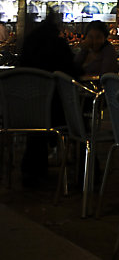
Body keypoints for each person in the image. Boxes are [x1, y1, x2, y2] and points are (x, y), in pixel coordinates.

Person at [18, 11, 80, 185]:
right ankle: (86, 172)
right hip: (58, 113)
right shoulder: (58, 46)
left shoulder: (28, 45)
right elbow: (73, 73)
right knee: (79, 119)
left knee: (39, 116)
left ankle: (32, 170)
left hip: (24, 111)